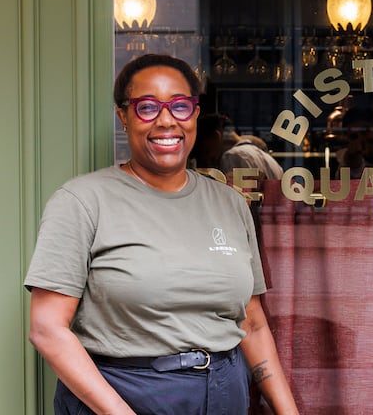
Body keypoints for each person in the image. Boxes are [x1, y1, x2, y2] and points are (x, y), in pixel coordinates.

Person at [25, 53, 299, 415]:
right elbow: (47, 328)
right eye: (147, 107)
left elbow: (252, 322)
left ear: (195, 115)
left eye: (180, 106)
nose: (166, 121)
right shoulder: (81, 202)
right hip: (123, 392)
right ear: (123, 116)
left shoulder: (230, 204)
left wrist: (287, 411)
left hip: (223, 392)